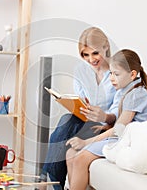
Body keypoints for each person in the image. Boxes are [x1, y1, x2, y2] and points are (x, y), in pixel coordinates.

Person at [39, 27, 119, 189]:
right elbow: (80, 100)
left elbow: (118, 112)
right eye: (85, 55)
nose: (91, 59)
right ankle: (49, 182)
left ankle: (43, 180)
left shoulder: (117, 72)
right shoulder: (81, 70)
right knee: (66, 122)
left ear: (106, 47)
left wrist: (104, 116)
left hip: (105, 127)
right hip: (84, 122)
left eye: (95, 53)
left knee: (64, 130)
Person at [66, 49, 147, 190]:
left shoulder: (135, 94)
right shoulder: (124, 90)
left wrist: (86, 142)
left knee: (80, 159)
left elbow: (119, 129)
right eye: (111, 73)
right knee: (70, 153)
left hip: (130, 142)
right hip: (122, 137)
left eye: (117, 74)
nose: (112, 78)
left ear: (132, 74)